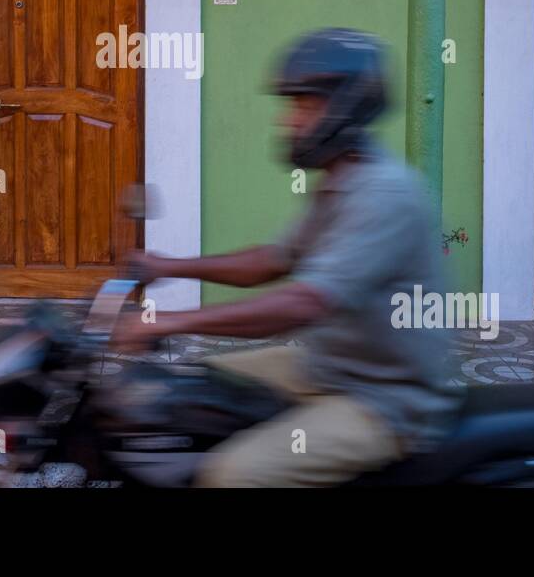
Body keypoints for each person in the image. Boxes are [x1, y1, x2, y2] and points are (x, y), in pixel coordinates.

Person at [110, 28, 464, 487]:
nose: (288, 121)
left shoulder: (384, 194)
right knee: (183, 395)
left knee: (231, 475)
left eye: (304, 105)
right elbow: (274, 259)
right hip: (325, 369)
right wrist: (167, 266)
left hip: (384, 401)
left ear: (347, 107)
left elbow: (305, 303)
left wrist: (167, 322)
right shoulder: (341, 179)